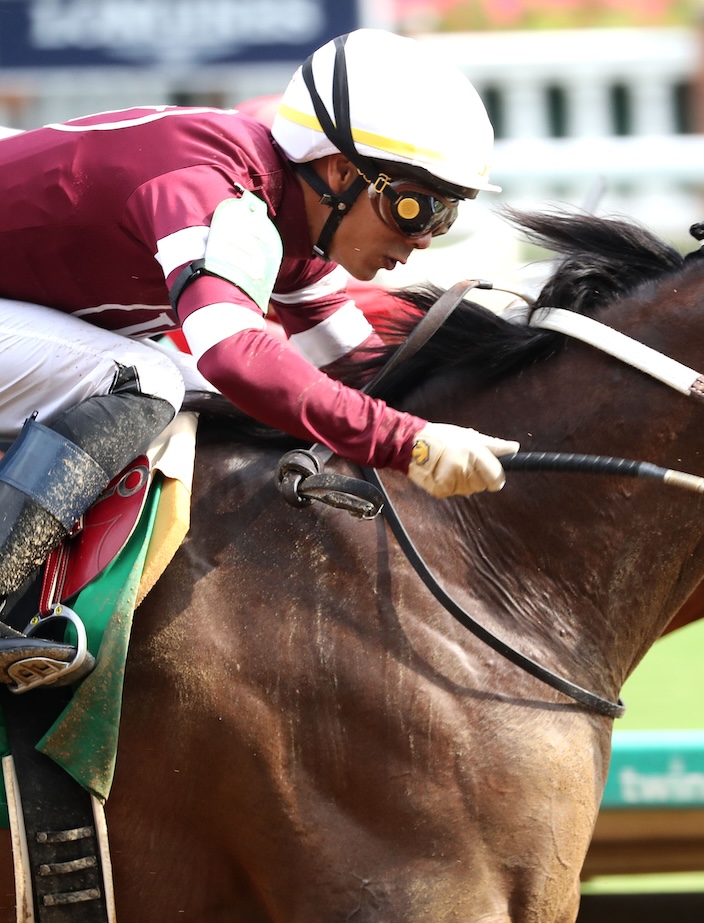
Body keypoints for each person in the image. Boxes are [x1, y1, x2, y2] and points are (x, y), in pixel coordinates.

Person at [0, 29, 519, 689]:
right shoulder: (219, 192)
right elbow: (239, 361)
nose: (418, 242)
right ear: (338, 172)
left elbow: (356, 367)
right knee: (150, 378)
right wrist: (406, 442)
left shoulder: (285, 221)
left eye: (443, 218)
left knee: (188, 388)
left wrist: (487, 421)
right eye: (413, 206)